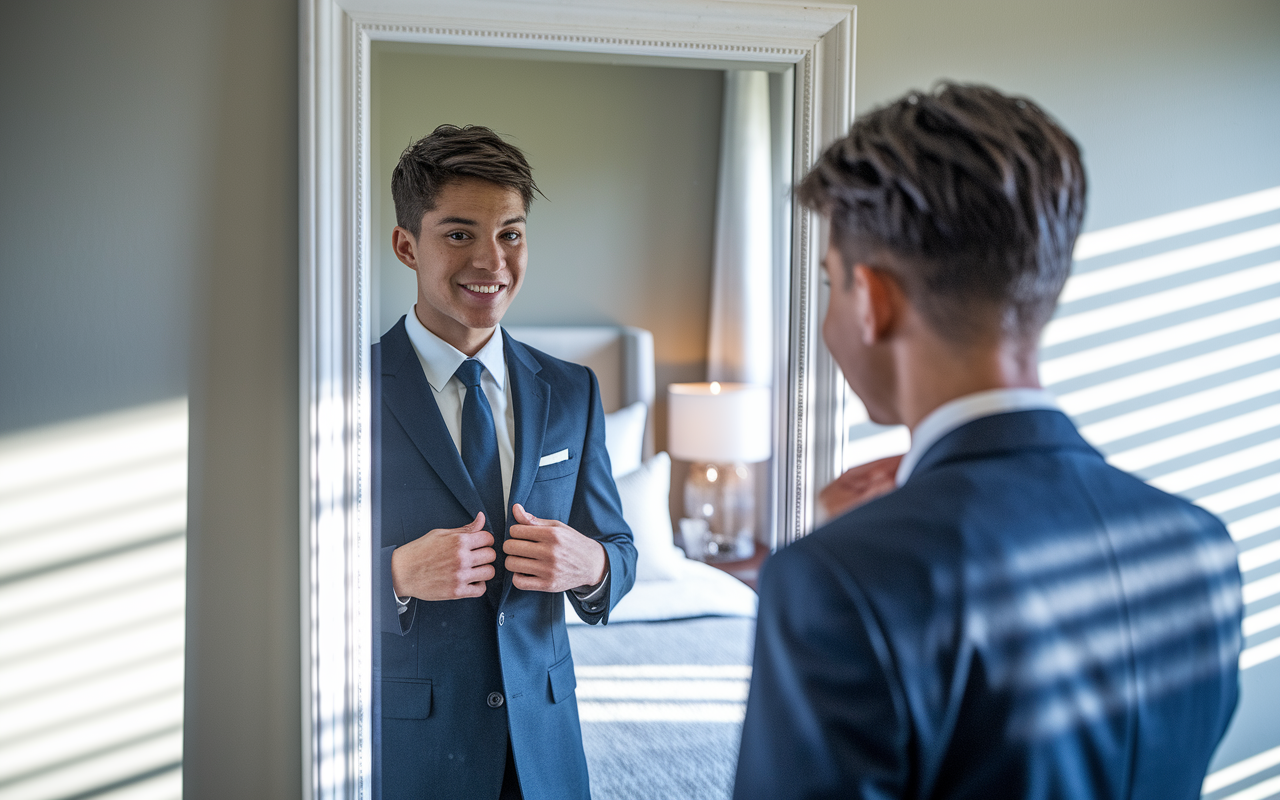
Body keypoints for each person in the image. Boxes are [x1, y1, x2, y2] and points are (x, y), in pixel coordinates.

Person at [734, 84, 1243, 800]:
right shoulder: (1199, 544)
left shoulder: (835, 580)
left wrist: (847, 565)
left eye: (829, 283)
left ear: (871, 301)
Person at [372, 124, 637, 800]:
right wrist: (397, 572)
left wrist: (592, 564)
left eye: (511, 234)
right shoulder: (346, 388)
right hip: (411, 751)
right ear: (407, 245)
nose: (492, 261)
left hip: (545, 749)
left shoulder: (572, 389)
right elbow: (287, 572)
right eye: (460, 234)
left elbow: (620, 549)